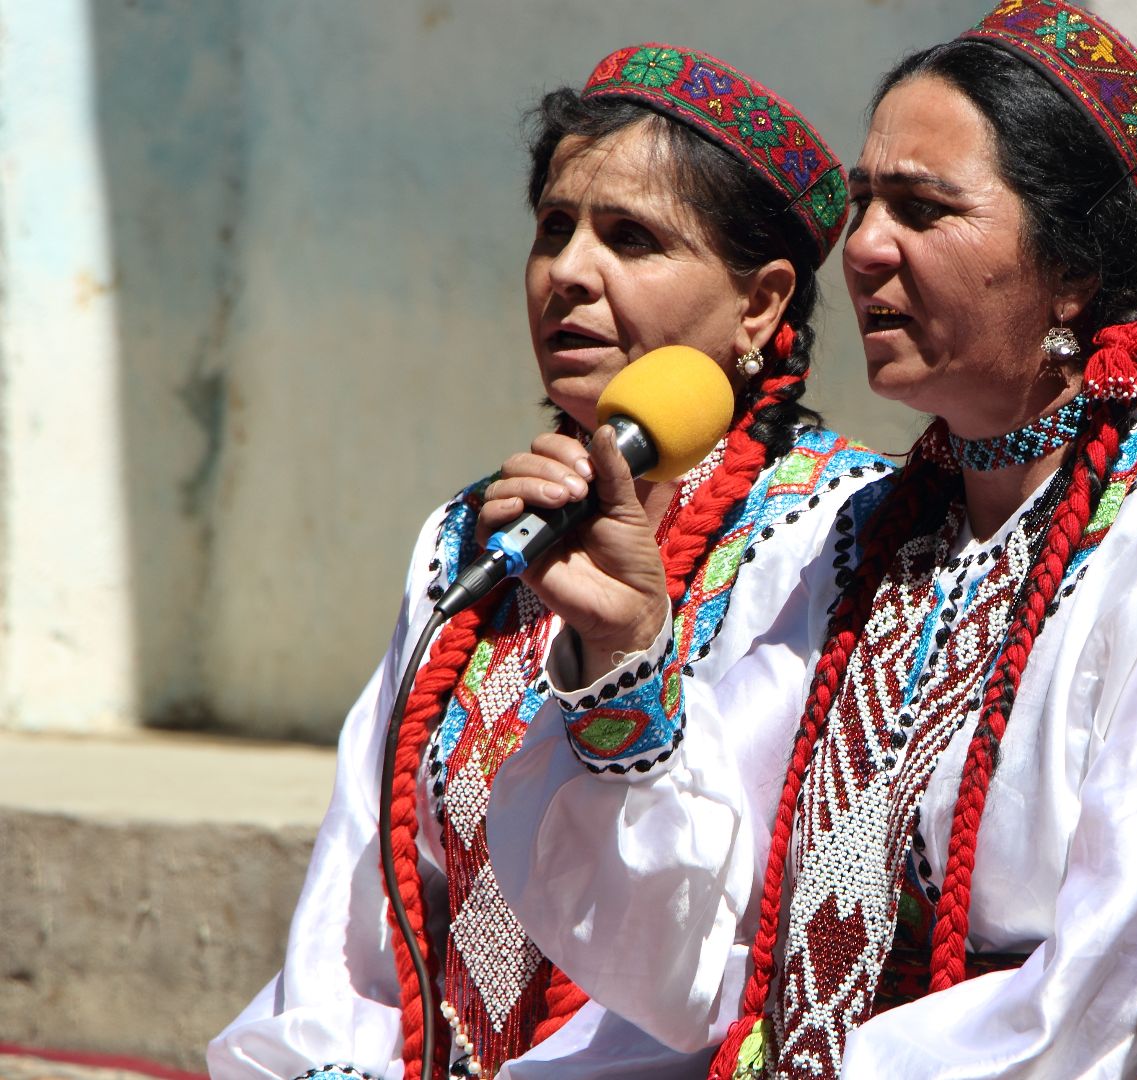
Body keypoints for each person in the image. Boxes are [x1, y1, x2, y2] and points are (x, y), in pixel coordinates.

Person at [484, 3, 1137, 1077]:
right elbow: (686, 946)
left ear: (1074, 270)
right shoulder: (881, 538)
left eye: (925, 209)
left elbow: (1124, 978)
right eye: (864, 203)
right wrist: (621, 656)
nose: (865, 249)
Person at [207, 44, 889, 1080]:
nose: (569, 271)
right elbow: (360, 917)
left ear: (760, 305)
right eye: (553, 228)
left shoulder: (837, 538)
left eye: (632, 237)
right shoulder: (476, 538)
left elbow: (717, 943)